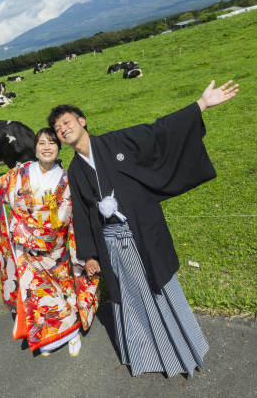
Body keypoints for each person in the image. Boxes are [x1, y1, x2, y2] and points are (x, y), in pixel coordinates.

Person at [48, 79, 239, 377]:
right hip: (113, 245)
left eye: (66, 121)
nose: (63, 129)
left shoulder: (117, 141)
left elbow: (158, 132)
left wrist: (201, 105)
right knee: (131, 298)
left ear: (82, 121)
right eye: (58, 129)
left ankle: (181, 351)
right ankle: (148, 355)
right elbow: (84, 216)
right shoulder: (75, 170)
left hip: (141, 233)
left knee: (160, 289)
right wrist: (90, 256)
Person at [0, 127, 99, 356]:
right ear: (34, 148)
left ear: (58, 147)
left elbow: (77, 210)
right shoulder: (19, 173)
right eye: (42, 143)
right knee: (36, 296)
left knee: (63, 291)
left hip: (55, 250)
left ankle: (71, 332)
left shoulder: (67, 178)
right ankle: (47, 339)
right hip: (25, 249)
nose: (47, 147)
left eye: (52, 143)